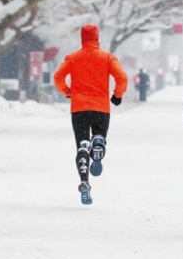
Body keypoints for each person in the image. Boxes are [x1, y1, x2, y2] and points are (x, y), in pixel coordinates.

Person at [53, 24, 128, 205]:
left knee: (81, 146)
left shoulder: (72, 58)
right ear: (97, 38)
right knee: (99, 134)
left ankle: (84, 181)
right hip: (101, 108)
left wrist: (68, 91)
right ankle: (98, 143)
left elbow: (57, 77)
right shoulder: (107, 58)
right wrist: (117, 95)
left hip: (79, 108)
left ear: (82, 38)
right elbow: (122, 77)